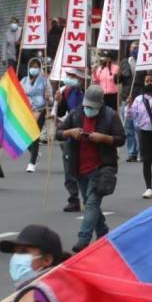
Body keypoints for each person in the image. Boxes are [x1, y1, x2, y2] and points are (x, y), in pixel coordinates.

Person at [56, 85, 125, 253]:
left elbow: (121, 139)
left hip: (101, 167)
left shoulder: (111, 116)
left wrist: (104, 138)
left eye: (92, 107)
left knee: (92, 203)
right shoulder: (76, 114)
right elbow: (58, 133)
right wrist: (70, 133)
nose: (88, 110)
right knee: (89, 203)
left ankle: (83, 240)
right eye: (86, 106)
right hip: (79, 167)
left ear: (100, 105)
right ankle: (102, 231)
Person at [55, 69, 87, 213]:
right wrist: (59, 102)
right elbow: (62, 112)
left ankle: (89, 198)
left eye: (72, 76)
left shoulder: (88, 91)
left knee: (86, 168)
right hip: (70, 133)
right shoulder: (66, 91)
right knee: (69, 168)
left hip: (86, 134)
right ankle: (73, 198)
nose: (68, 78)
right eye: (68, 75)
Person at [21, 57, 51, 173]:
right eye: (32, 66)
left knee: (34, 135)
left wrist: (49, 98)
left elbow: (51, 99)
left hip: (39, 110)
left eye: (36, 66)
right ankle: (35, 153)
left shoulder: (44, 81)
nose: (34, 69)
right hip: (26, 110)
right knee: (24, 136)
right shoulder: (23, 80)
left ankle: (32, 163)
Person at [118, 41, 144, 162]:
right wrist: (117, 75)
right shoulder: (124, 62)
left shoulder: (144, 63)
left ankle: (142, 151)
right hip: (126, 99)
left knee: (138, 126)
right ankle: (131, 152)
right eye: (133, 48)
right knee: (128, 128)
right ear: (129, 49)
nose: (135, 50)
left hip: (139, 99)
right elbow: (118, 80)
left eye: (137, 48)